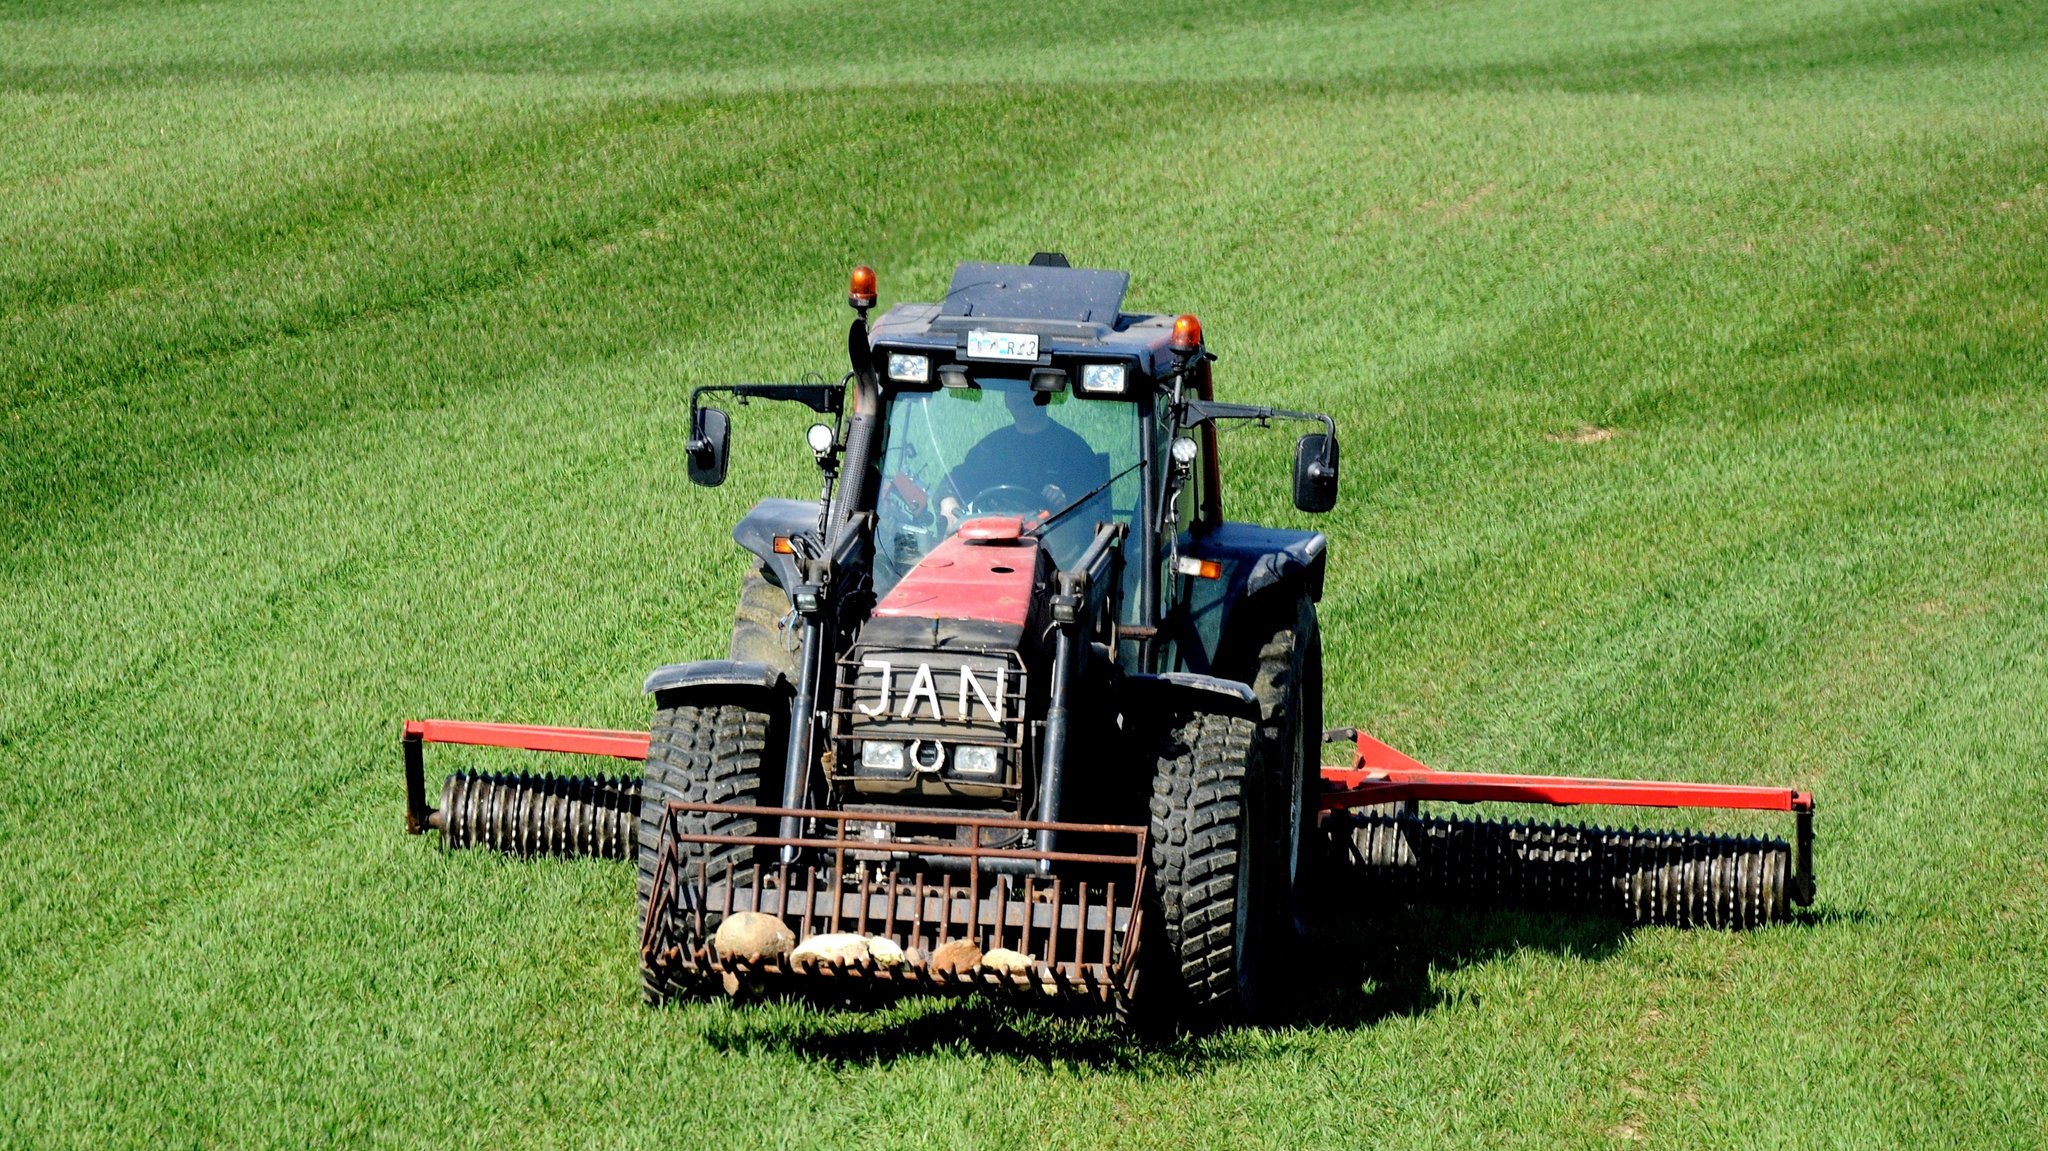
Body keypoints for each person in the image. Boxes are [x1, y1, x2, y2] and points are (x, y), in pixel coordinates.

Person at [935, 385, 1109, 529]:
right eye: (1015, 390)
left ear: (1045, 395)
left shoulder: (1073, 448)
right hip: (993, 542)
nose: (1022, 397)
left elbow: (1093, 502)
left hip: (1055, 551)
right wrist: (948, 500)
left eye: (1029, 389)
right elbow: (958, 480)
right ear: (1006, 400)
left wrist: (1066, 499)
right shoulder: (991, 447)